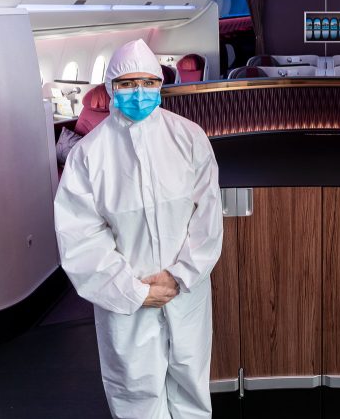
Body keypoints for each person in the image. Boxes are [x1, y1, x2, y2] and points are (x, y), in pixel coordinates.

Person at [54, 39, 223, 419]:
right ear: (111, 88)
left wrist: (180, 276)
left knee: (190, 379)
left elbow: (207, 216)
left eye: (147, 82)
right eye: (128, 84)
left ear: (160, 85)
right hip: (126, 296)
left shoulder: (189, 138)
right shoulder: (89, 155)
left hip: (186, 290)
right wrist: (132, 290)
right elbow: (80, 236)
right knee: (135, 389)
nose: (138, 92)